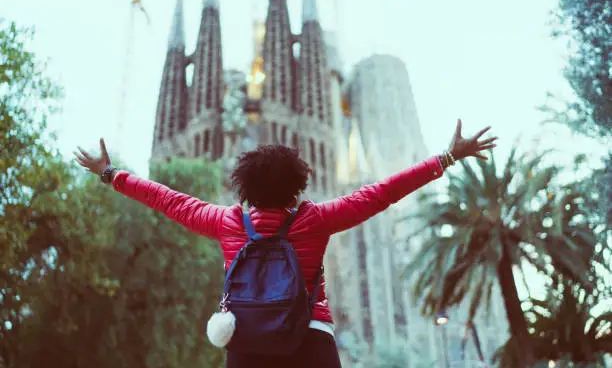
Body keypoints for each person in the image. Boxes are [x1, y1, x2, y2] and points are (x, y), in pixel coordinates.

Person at [74, 119, 497, 368]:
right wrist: (446, 157)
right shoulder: (315, 220)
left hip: (245, 341)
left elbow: (167, 199)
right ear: (298, 188)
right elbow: (382, 192)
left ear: (244, 188)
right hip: (311, 340)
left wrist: (111, 173)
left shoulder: (227, 222)